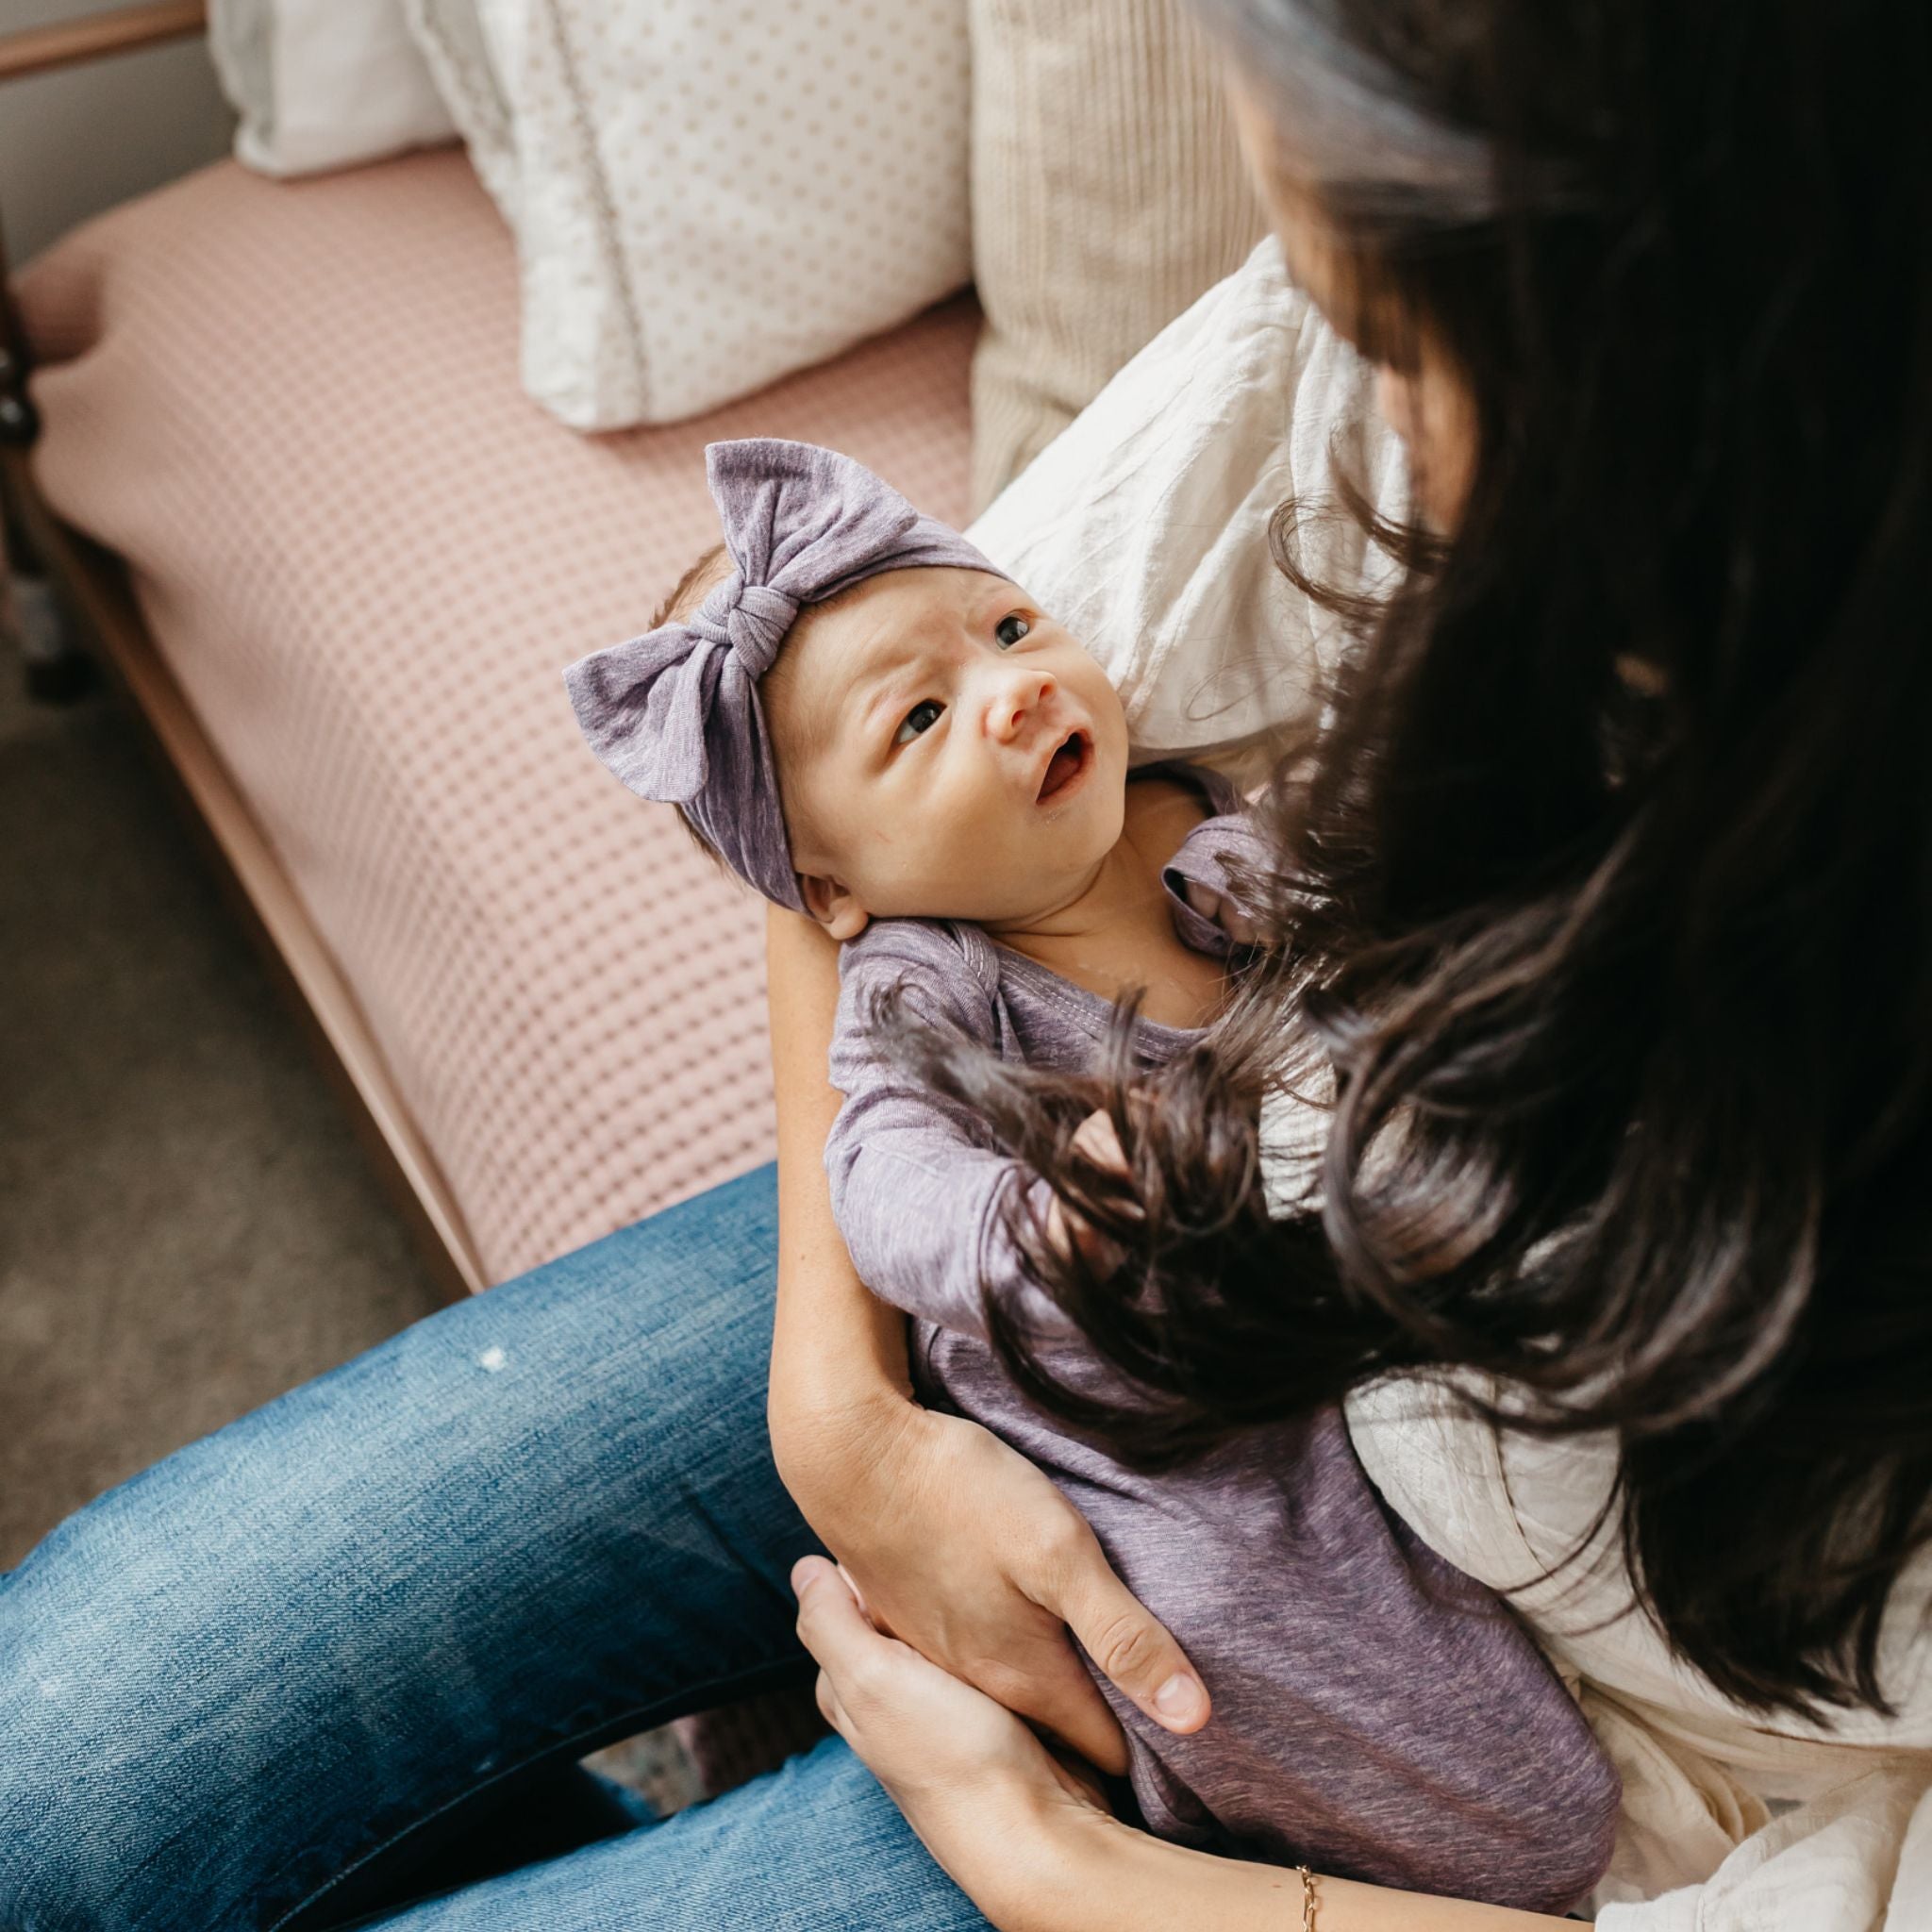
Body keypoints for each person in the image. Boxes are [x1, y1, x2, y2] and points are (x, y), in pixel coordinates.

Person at [3, 1, 1927, 1928]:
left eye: (1415, 357)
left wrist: (1058, 1864)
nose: (1372, 411)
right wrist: (840, 1415)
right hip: (1049, 1280)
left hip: (1383, 1732)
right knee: (52, 1787)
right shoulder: (1399, 291)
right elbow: (846, 727)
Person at [558, 435, 1619, 1902]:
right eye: (920, 718)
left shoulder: (1193, 809)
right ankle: (1429, 1831)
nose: (1015, 690)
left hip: (1304, 1338)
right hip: (1147, 1442)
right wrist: (1035, 1223)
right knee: (1245, 1632)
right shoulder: (927, 978)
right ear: (829, 892)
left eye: (1008, 628)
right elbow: (881, 1179)